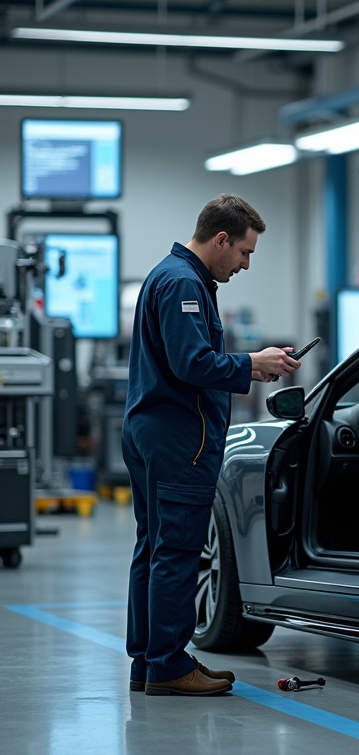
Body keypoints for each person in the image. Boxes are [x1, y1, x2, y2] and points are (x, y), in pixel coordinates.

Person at [122, 195, 300, 696]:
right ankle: (171, 666)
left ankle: (149, 661)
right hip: (179, 439)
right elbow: (191, 363)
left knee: (153, 548)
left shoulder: (173, 276)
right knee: (176, 552)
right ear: (220, 239)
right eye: (244, 252)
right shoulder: (182, 283)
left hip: (152, 433)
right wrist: (252, 365)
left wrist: (251, 362)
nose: (245, 264)